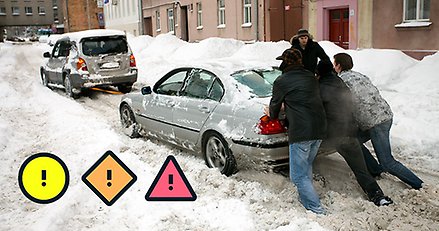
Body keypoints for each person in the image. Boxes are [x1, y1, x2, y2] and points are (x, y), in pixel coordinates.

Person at [333, 53, 423, 190]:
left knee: (387, 162)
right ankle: (375, 170)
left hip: (376, 122)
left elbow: (343, 103)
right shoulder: (360, 75)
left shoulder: (341, 81)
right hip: (384, 115)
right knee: (354, 141)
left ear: (338, 65)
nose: (334, 67)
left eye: (334, 64)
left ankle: (419, 184)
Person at [316, 60, 393, 206]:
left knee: (306, 154)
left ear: (318, 74)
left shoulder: (320, 89)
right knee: (361, 169)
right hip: (350, 132)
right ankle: (378, 196)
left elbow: (316, 112)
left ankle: (315, 184)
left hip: (334, 135)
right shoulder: (341, 84)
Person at [268, 48, 327, 214]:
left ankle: (316, 208)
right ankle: (306, 197)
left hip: (302, 131)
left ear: (285, 62)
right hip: (320, 128)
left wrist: (272, 112)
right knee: (306, 165)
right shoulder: (311, 76)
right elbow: (305, 98)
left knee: (297, 176)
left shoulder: (282, 81)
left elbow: (274, 110)